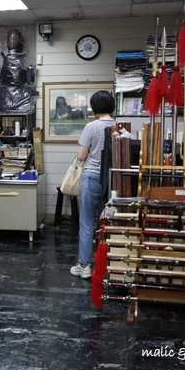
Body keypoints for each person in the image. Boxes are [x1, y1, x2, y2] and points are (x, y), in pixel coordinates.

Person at [70, 90, 116, 279]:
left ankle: (84, 266)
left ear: (94, 107)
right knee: (107, 222)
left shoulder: (91, 127)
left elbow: (81, 156)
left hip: (91, 178)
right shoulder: (118, 125)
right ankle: (107, 264)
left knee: (87, 222)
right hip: (111, 180)